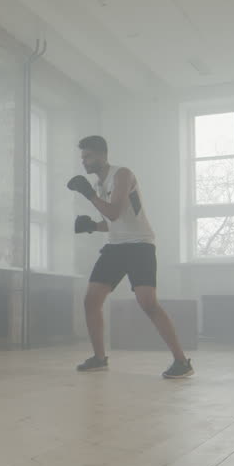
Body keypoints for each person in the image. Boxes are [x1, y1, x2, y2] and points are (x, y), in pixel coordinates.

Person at [68, 135, 193, 378]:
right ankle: (99, 358)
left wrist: (89, 196)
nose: (84, 162)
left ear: (102, 155)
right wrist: (92, 226)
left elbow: (114, 212)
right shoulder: (98, 186)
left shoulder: (122, 174)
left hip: (139, 246)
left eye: (88, 156)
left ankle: (182, 362)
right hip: (115, 247)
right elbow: (112, 223)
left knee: (148, 304)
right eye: (82, 157)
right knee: (91, 301)